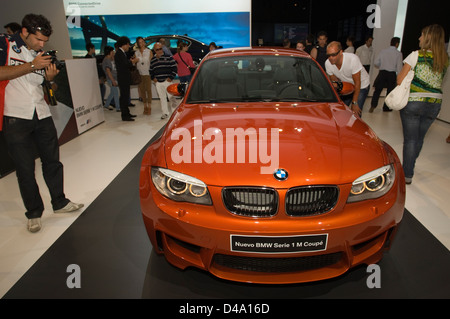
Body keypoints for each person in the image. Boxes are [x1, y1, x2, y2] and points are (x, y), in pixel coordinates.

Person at [0, 14, 83, 233]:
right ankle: (34, 213)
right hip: (15, 116)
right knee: (25, 169)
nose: (42, 44)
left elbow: (47, 88)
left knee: (53, 162)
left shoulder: (40, 54)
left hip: (42, 113)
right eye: (38, 39)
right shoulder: (5, 44)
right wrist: (31, 65)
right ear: (25, 32)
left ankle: (60, 202)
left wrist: (51, 79)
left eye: (45, 41)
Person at [397, 24, 448, 185]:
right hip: (434, 103)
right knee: (419, 138)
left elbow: (400, 80)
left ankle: (407, 174)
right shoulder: (444, 59)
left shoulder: (416, 55)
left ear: (428, 37)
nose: (419, 38)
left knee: (411, 140)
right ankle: (410, 165)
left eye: (421, 35)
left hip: (414, 102)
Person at [325, 41, 370, 117]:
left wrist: (354, 103)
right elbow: (335, 84)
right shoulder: (328, 63)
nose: (330, 58)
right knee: (339, 111)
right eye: (328, 55)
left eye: (333, 55)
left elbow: (357, 83)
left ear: (341, 52)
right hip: (346, 85)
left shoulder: (352, 59)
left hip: (361, 85)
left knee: (356, 113)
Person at [370, 37, 403, 113]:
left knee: (377, 90)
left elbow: (376, 62)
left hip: (382, 73)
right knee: (389, 92)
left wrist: (382, 65)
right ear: (397, 44)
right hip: (391, 74)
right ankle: (386, 108)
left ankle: (373, 105)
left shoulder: (383, 51)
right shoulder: (398, 53)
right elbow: (399, 67)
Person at [150, 42, 177, 119]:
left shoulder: (169, 57)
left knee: (171, 97)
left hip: (167, 81)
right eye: (157, 49)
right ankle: (165, 113)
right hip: (158, 82)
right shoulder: (153, 60)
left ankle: (174, 113)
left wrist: (170, 78)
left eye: (160, 48)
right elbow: (150, 70)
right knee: (162, 98)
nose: (159, 51)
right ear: (154, 50)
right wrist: (153, 78)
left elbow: (174, 68)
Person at [114, 36, 138, 121]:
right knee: (124, 97)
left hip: (124, 78)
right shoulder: (119, 53)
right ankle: (125, 115)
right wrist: (132, 62)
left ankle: (127, 113)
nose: (128, 46)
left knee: (125, 96)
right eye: (128, 44)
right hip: (123, 79)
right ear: (124, 44)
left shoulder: (121, 53)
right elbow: (125, 65)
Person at [135, 37, 153, 115]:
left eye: (142, 41)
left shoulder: (149, 51)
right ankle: (144, 106)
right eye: (140, 42)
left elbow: (151, 63)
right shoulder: (136, 52)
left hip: (147, 73)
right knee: (142, 90)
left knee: (148, 90)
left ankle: (149, 107)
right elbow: (135, 63)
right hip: (140, 73)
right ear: (138, 43)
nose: (141, 43)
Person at [102, 46, 119, 111]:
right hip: (111, 79)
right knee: (116, 93)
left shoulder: (110, 59)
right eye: (112, 51)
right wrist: (113, 80)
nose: (113, 52)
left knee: (112, 93)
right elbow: (108, 72)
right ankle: (118, 107)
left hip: (113, 78)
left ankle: (106, 105)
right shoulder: (106, 60)